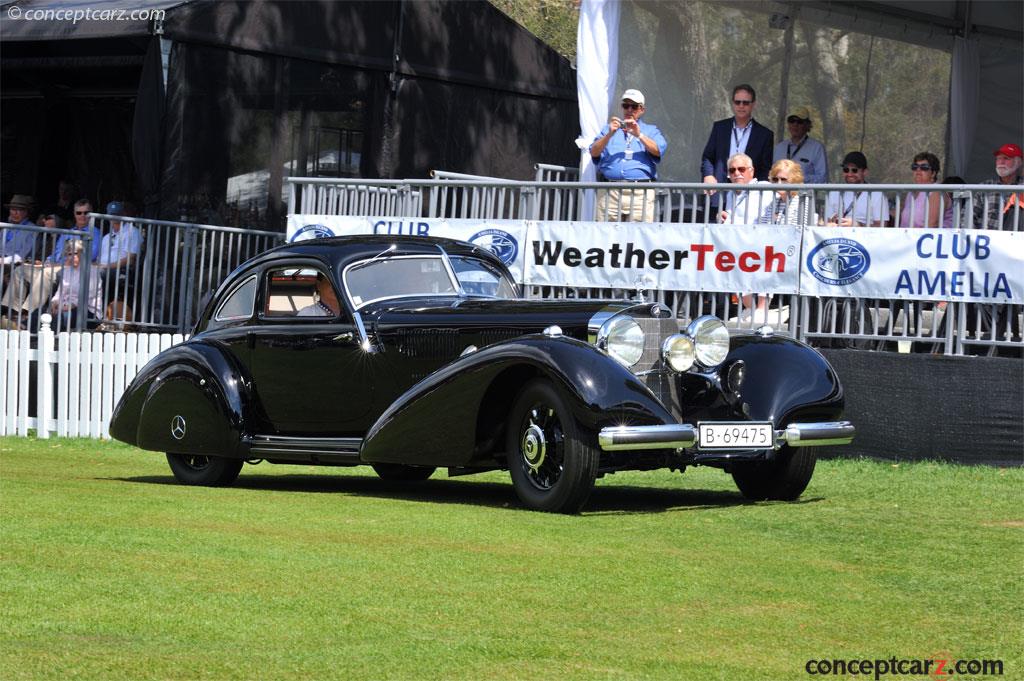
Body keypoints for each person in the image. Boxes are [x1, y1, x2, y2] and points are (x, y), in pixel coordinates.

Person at [589, 88, 668, 222]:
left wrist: (639, 135)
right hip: (610, 191)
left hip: (640, 192)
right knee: (606, 235)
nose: (629, 110)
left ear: (642, 109)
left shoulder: (650, 130)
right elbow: (594, 151)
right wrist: (609, 135)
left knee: (638, 236)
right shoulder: (609, 129)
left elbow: (658, 150)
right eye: (626, 105)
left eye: (634, 106)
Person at [701, 84, 774, 197]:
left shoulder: (765, 135)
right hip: (719, 190)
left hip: (748, 195)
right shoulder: (720, 127)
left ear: (753, 104)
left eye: (745, 102)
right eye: (737, 102)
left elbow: (765, 169)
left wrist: (759, 194)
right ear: (732, 103)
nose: (741, 106)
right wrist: (708, 175)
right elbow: (707, 157)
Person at [45, 240, 103, 332]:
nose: (72, 257)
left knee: (60, 317)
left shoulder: (92, 271)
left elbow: (88, 295)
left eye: (75, 253)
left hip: (88, 311)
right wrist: (54, 303)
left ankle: (54, 343)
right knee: (41, 313)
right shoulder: (66, 271)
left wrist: (68, 306)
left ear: (83, 254)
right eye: (69, 254)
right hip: (65, 306)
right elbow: (60, 292)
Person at [824, 152, 890, 226]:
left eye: (854, 170)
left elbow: (882, 226)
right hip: (838, 236)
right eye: (846, 170)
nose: (849, 174)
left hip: (866, 237)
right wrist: (831, 223)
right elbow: (827, 220)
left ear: (865, 172)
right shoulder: (834, 192)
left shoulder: (877, 194)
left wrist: (857, 225)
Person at [95, 200, 142, 303]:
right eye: (111, 215)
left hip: (120, 271)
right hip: (103, 269)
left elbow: (131, 259)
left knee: (96, 275)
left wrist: (106, 266)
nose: (114, 218)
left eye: (117, 214)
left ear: (123, 214)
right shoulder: (106, 237)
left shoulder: (133, 232)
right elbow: (99, 259)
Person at [973, 143, 1024, 230]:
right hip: (984, 240)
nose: (1001, 162)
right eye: (998, 158)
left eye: (1006, 158)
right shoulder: (984, 187)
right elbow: (966, 218)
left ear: (1018, 163)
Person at [772, 107, 828, 184]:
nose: (795, 124)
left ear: (807, 125)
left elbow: (822, 178)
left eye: (800, 121)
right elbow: (771, 174)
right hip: (780, 194)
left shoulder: (817, 148)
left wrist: (798, 178)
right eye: (792, 121)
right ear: (788, 124)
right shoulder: (779, 148)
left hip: (805, 194)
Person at [898, 152, 954, 228]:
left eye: (924, 167)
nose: (918, 170)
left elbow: (932, 224)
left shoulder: (937, 192)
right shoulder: (911, 193)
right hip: (909, 238)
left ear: (933, 173)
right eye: (915, 167)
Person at [756, 160, 819, 225]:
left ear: (794, 180)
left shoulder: (802, 202)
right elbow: (763, 227)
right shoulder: (773, 202)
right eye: (775, 179)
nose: (779, 183)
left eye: (783, 179)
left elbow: (799, 231)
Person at [717, 153, 771, 224]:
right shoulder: (730, 193)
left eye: (741, 169)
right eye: (732, 170)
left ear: (751, 171)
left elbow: (759, 222)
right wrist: (723, 217)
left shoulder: (764, 188)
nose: (736, 173)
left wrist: (730, 220)